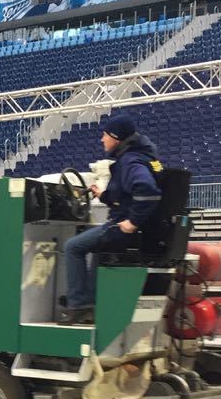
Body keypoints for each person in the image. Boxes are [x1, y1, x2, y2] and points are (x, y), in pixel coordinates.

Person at [58, 114, 163, 325]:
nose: (101, 139)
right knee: (97, 247)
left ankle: (79, 305)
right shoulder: (143, 157)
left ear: (116, 137)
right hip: (147, 230)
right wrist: (103, 195)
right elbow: (126, 197)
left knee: (73, 247)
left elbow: (148, 191)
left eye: (105, 135)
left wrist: (132, 222)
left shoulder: (130, 161)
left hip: (124, 228)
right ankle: (91, 304)